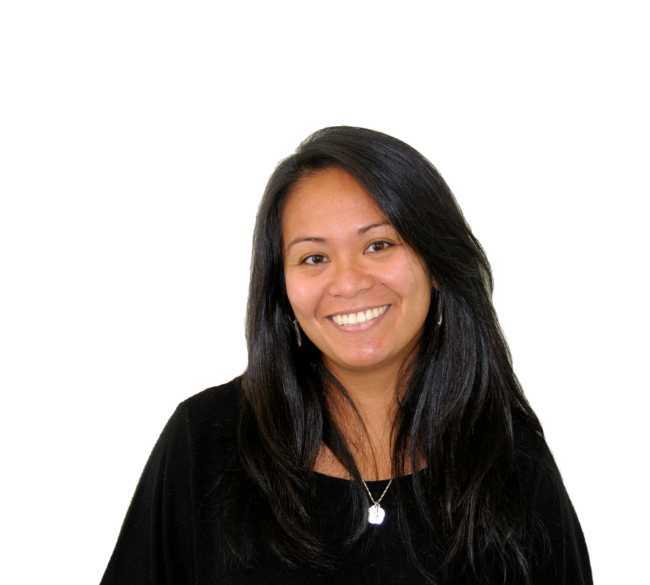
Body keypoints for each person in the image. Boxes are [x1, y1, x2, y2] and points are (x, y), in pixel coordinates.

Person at [100, 126, 593, 584]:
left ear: (436, 263)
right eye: (314, 257)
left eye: (379, 245)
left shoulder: (506, 452)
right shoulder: (205, 440)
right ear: (282, 287)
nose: (350, 281)